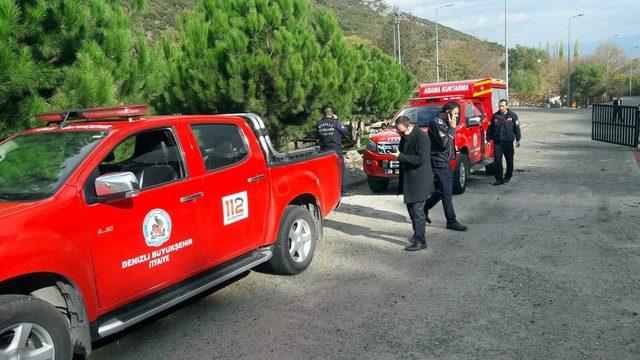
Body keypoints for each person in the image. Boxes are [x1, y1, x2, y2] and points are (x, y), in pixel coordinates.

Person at [389, 116, 435, 251]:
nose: (400, 135)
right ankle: (417, 235)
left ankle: (421, 241)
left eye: (402, 132)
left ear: (409, 126)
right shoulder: (405, 135)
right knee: (411, 210)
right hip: (409, 179)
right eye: (399, 132)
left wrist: (400, 156)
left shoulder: (422, 137)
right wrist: (397, 154)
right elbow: (403, 152)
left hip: (420, 180)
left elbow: (420, 159)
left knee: (418, 211)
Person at [424, 101, 468, 231]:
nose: (456, 117)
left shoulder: (443, 123)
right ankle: (451, 221)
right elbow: (444, 142)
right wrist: (453, 128)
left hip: (443, 160)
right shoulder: (437, 122)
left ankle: (424, 208)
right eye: (455, 114)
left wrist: (453, 150)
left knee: (441, 191)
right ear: (448, 112)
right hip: (439, 161)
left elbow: (447, 143)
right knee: (447, 192)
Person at [487, 99, 521, 186]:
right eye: (500, 106)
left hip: (508, 142)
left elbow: (516, 128)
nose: (501, 108)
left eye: (502, 106)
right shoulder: (495, 116)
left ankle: (508, 176)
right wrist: (488, 139)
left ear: (507, 106)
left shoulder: (512, 116)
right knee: (497, 161)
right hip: (498, 143)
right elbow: (490, 128)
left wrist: (518, 139)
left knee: (509, 160)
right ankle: (499, 179)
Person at [316, 108, 348, 194]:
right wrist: (337, 119)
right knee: (340, 170)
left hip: (324, 151)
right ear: (332, 114)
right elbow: (345, 131)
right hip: (336, 151)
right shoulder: (335, 122)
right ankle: (342, 190)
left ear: (324, 114)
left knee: (327, 172)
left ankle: (329, 190)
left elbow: (317, 137)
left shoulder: (318, 124)